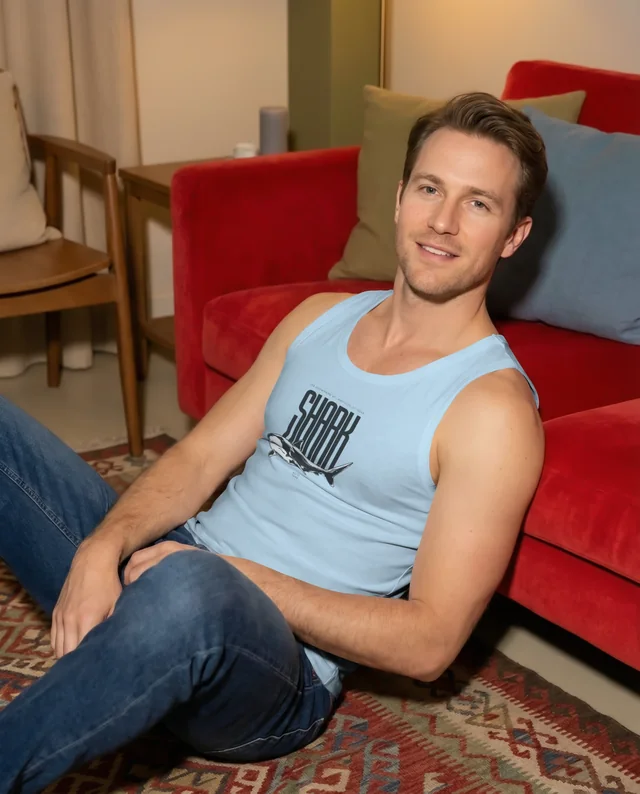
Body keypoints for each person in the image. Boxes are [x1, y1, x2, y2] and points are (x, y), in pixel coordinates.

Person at [0, 92, 546, 792]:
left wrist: (234, 580)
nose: (442, 221)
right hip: (176, 568)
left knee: (192, 585)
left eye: (478, 203)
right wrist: (101, 549)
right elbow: (200, 457)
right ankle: (137, 638)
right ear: (400, 195)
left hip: (273, 671)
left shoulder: (490, 410)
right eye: (431, 188)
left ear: (513, 235)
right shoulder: (318, 318)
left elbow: (430, 643)